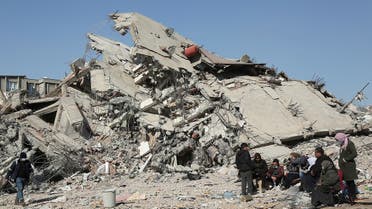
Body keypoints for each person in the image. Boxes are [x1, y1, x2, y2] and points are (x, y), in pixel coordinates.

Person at [335, 132, 358, 203]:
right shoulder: (343, 144)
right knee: (348, 182)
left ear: (341, 139)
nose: (337, 141)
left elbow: (354, 153)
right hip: (344, 167)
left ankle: (353, 197)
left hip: (349, 167)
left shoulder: (349, 143)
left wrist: (346, 159)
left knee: (350, 182)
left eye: (337, 140)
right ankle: (350, 196)